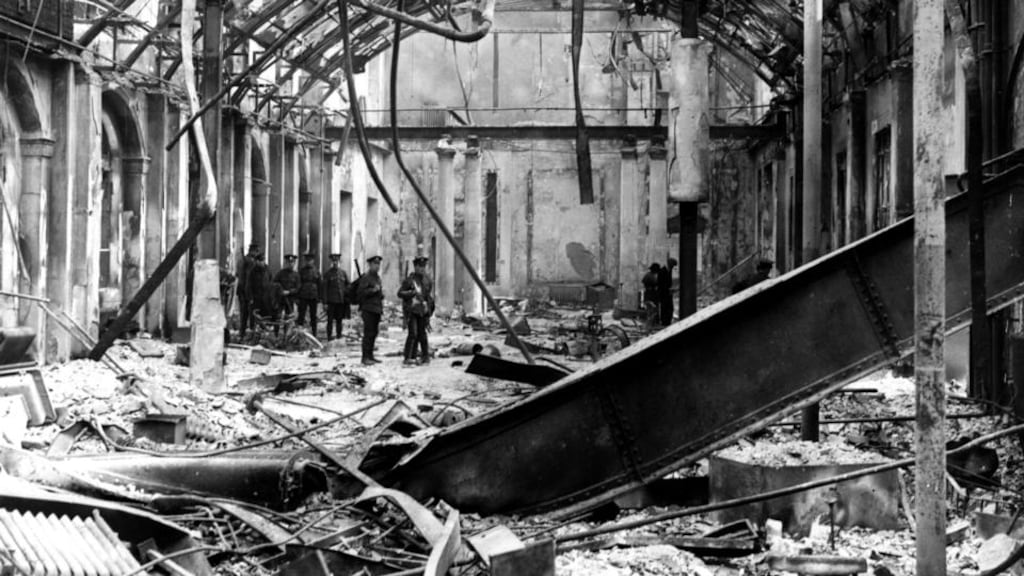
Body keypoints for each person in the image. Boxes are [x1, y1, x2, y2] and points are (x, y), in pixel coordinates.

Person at [398, 256, 434, 365]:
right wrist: (412, 293)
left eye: (424, 266)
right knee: (413, 333)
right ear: (415, 267)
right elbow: (400, 293)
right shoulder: (410, 280)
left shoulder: (427, 280)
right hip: (412, 311)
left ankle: (425, 356)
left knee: (422, 334)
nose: (422, 268)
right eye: (420, 266)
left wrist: (429, 311)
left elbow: (428, 297)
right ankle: (408, 357)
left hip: (423, 311)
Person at [355, 255, 384, 365]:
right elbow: (360, 293)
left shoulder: (377, 278)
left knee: (374, 333)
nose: (377, 266)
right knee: (368, 333)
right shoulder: (366, 278)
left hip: (376, 309)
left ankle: (370, 356)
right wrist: (373, 290)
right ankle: (365, 357)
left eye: (378, 264)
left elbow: (379, 294)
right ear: (370, 265)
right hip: (368, 309)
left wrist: (381, 294)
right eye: (375, 264)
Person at [321, 253, 350, 341]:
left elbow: (348, 285)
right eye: (333, 261)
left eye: (336, 261)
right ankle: (329, 336)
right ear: (331, 262)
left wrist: (347, 297)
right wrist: (325, 302)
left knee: (339, 320)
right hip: (331, 301)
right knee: (330, 320)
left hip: (340, 301)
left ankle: (339, 335)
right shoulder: (328, 274)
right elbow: (324, 289)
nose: (335, 263)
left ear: (339, 261)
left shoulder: (343, 273)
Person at [237, 243, 260, 336]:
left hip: (243, 290)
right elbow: (247, 278)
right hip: (246, 291)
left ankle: (243, 333)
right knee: (248, 313)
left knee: (245, 313)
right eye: (257, 251)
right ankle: (248, 333)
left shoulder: (243, 260)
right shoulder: (249, 262)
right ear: (253, 251)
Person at [296, 253, 321, 337]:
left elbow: (320, 284)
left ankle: (314, 333)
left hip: (313, 296)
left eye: (310, 260)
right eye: (307, 260)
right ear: (305, 261)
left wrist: (320, 297)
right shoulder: (301, 271)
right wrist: (297, 297)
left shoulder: (317, 271)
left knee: (313, 316)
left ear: (313, 261)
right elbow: (298, 284)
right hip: (303, 296)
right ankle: (299, 333)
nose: (308, 262)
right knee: (301, 315)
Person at [658, 257, 677, 326]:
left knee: (670, 308)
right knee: (664, 309)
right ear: (670, 264)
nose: (673, 267)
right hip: (663, 294)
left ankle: (667, 322)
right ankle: (664, 323)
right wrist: (668, 289)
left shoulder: (669, 271)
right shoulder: (662, 271)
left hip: (668, 294)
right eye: (672, 266)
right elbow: (660, 284)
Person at [642, 263, 661, 329]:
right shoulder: (649, 275)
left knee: (653, 309)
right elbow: (649, 284)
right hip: (650, 294)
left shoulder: (651, 275)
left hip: (652, 294)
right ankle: (651, 324)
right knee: (651, 309)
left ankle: (653, 323)